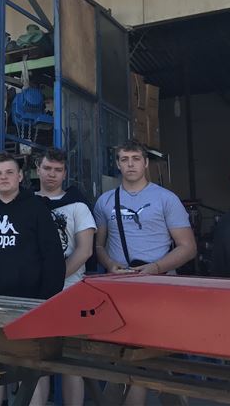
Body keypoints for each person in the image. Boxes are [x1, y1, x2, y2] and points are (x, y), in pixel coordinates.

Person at [93, 140, 196, 406]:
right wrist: (109, 264)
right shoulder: (105, 201)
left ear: (146, 163)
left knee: (165, 359)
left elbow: (188, 247)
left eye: (136, 159)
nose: (130, 164)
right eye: (124, 159)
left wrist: (156, 268)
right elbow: (99, 245)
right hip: (121, 290)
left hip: (160, 288)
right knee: (122, 361)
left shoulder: (166, 199)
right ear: (117, 164)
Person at [0, 153, 64, 406]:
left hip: (27, 304)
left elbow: (53, 257)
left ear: (20, 176)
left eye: (9, 172)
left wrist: (44, 301)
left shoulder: (37, 208)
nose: (4, 178)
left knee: (31, 367)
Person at [30, 148, 96, 406]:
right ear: (38, 169)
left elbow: (85, 250)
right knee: (34, 362)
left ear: (65, 173)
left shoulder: (78, 205)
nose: (52, 174)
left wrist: (54, 280)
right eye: (47, 168)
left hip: (70, 291)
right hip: (33, 294)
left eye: (58, 170)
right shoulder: (25, 202)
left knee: (71, 363)